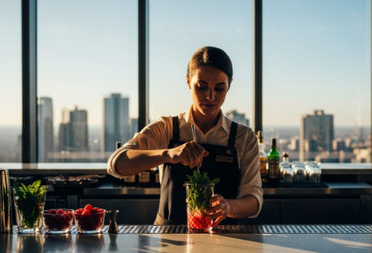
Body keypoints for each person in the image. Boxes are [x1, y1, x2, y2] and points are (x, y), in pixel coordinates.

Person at [107, 46, 263, 226]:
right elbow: (116, 164)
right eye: (201, 87)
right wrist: (168, 154)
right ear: (188, 81)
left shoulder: (243, 137)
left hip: (225, 238)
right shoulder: (166, 128)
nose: (210, 96)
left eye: (219, 88)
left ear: (229, 86)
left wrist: (228, 207)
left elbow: (254, 200)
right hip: (168, 239)